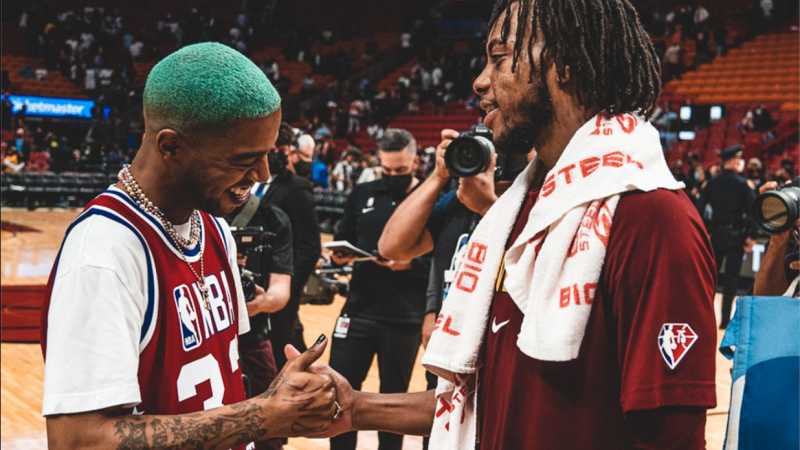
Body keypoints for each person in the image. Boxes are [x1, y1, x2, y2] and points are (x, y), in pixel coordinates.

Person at [305, 1, 718, 448]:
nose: (480, 80)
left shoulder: (653, 218)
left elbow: (671, 438)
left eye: (499, 58)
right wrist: (357, 408)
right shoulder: (517, 211)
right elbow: (482, 400)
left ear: (567, 65)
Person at [39, 43, 338, 449]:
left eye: (267, 154)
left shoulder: (213, 228)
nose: (264, 174)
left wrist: (275, 398)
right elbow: (78, 440)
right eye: (244, 158)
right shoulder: (105, 252)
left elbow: (231, 373)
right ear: (170, 147)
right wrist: (262, 416)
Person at [328, 129, 431, 450]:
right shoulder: (363, 193)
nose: (393, 177)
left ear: (415, 161)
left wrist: (410, 265)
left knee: (393, 402)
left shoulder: (431, 198)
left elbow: (443, 259)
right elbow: (345, 234)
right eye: (387, 170)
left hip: (404, 317)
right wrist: (339, 254)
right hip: (358, 309)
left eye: (400, 171)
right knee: (339, 395)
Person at [228, 193, 296, 450]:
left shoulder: (274, 218)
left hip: (252, 338)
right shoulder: (191, 211)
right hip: (200, 342)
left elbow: (281, 291)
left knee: (268, 427)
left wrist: (259, 303)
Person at [259, 122, 322, 369]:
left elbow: (310, 247)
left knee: (279, 354)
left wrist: (287, 285)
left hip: (279, 286)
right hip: (252, 284)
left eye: (281, 148)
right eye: (272, 148)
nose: (277, 153)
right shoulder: (249, 181)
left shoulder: (297, 187)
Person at [697, 144, 757, 329]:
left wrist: (705, 231)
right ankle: (724, 320)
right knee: (731, 280)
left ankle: (704, 318)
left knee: (710, 278)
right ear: (734, 161)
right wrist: (752, 236)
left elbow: (698, 208)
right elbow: (754, 211)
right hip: (736, 236)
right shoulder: (743, 183)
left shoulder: (712, 183)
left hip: (715, 235)